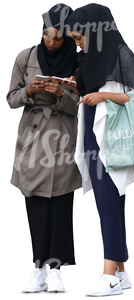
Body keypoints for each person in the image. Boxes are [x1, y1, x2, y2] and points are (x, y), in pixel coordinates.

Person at [64, 3, 134, 297]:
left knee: (108, 204)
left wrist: (103, 94)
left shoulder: (119, 53)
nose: (77, 44)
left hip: (113, 137)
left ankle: (108, 277)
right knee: (111, 204)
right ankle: (122, 273)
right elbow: (88, 87)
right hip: (92, 134)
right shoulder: (89, 58)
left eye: (79, 38)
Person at [6, 3, 81, 293]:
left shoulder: (79, 62)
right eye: (46, 36)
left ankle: (56, 270)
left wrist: (61, 94)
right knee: (35, 202)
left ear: (66, 36)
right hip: (33, 139)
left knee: (61, 203)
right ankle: (37, 268)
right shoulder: (26, 57)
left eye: (57, 38)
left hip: (61, 137)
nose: (51, 43)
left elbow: (82, 105)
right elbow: (11, 98)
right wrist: (30, 90)